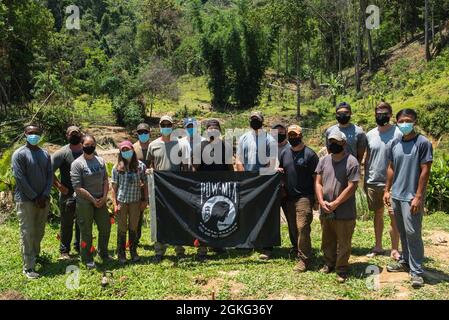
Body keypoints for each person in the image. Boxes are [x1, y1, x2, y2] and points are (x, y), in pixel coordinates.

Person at [384, 109, 433, 289]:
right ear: (396, 122)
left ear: (414, 121)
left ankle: (417, 271)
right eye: (402, 120)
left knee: (413, 232)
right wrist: (387, 189)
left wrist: (419, 196)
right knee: (402, 231)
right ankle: (405, 261)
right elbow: (391, 167)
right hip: (396, 195)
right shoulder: (395, 143)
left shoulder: (423, 143)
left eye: (408, 120)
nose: (405, 123)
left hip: (411, 197)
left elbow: (425, 170)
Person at [315, 130, 360, 283]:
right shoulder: (324, 160)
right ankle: (329, 263)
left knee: (344, 241)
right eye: (331, 142)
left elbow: (352, 186)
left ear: (344, 143)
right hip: (326, 208)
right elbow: (318, 182)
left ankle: (341, 269)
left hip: (344, 210)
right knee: (327, 239)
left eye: (336, 142)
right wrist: (321, 201)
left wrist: (336, 203)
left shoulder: (351, 161)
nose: (333, 144)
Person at [12, 124, 53, 279]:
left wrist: (45, 194)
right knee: (27, 232)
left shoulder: (45, 154)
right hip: (26, 201)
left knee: (39, 231)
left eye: (36, 133)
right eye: (30, 133)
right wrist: (35, 197)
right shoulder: (19, 154)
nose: (33, 135)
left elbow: (50, 175)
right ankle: (28, 267)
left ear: (40, 135)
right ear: (25, 134)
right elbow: (20, 178)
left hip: (43, 199)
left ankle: (35, 256)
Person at [236, 111, 277, 260]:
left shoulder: (269, 139)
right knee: (247, 211)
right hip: (247, 181)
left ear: (262, 121)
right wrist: (245, 177)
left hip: (263, 182)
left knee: (264, 213)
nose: (255, 122)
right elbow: (239, 160)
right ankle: (247, 243)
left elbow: (271, 164)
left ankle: (266, 246)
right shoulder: (243, 138)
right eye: (252, 119)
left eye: (257, 119)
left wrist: (257, 177)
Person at [278, 125, 319, 272]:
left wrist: (316, 199)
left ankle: (304, 259)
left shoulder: (310, 155)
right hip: (289, 197)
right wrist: (279, 173)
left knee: (302, 227)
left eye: (295, 135)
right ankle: (297, 249)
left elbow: (317, 178)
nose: (292, 137)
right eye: (290, 135)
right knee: (293, 227)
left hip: (305, 197)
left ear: (301, 135)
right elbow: (283, 170)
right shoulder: (284, 153)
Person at [364, 102, 402, 260]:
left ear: (390, 115)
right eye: (378, 113)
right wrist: (365, 178)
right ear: (375, 115)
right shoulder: (370, 134)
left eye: (384, 113)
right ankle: (378, 245)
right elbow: (367, 158)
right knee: (377, 215)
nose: (381, 116)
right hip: (373, 181)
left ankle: (394, 249)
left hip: (394, 182)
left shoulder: (398, 133)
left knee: (393, 215)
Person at [193, 119, 234, 260]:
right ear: (206, 131)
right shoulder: (200, 146)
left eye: (215, 128)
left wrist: (233, 182)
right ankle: (202, 248)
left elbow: (230, 167)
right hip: (204, 188)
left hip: (221, 187)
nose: (213, 130)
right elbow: (195, 167)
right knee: (204, 216)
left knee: (219, 215)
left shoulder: (226, 146)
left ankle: (217, 244)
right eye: (210, 128)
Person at [147, 115, 187, 262]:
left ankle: (179, 249)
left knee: (178, 218)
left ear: (172, 126)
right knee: (160, 218)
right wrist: (150, 172)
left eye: (168, 124)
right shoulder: (153, 145)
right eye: (163, 124)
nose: (165, 126)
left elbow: (184, 166)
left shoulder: (179, 144)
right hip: (159, 188)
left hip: (175, 188)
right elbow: (150, 164)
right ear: (159, 126)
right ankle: (159, 250)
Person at [70, 135, 111, 269]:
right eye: (87, 145)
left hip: (101, 200)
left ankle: (103, 253)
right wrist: (93, 200)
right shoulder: (77, 164)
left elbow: (105, 180)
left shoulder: (100, 161)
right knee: (86, 231)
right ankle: (87, 257)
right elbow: (78, 187)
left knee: (105, 227)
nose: (90, 147)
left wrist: (104, 197)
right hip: (85, 203)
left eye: (92, 144)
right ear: (82, 146)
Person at [111, 140, 148, 264]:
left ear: (133, 150)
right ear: (121, 153)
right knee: (122, 227)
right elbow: (114, 188)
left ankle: (133, 251)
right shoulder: (117, 168)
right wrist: (115, 204)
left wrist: (145, 200)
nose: (126, 152)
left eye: (128, 149)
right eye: (124, 150)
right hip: (122, 201)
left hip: (135, 201)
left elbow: (145, 185)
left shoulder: (141, 166)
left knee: (133, 227)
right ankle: (121, 253)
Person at [51, 126, 83, 259]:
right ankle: (64, 251)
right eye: (71, 133)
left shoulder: (86, 149)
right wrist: (59, 186)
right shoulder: (62, 153)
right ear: (67, 136)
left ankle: (80, 247)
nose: (74, 135)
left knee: (82, 222)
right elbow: (49, 171)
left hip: (83, 194)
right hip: (67, 194)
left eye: (76, 133)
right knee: (66, 223)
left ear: (81, 135)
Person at [133, 123, 152, 247]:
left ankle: (160, 238)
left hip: (154, 184)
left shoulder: (155, 146)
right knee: (137, 213)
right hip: (138, 185)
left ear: (149, 132)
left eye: (145, 132)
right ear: (137, 134)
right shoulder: (133, 148)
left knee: (157, 212)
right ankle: (135, 238)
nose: (143, 134)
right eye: (140, 132)